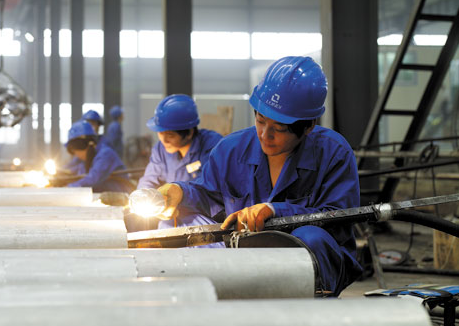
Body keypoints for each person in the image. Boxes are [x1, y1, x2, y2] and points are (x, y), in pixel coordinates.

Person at [156, 56, 363, 296]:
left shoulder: (333, 153)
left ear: (308, 126)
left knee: (310, 237)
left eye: (279, 128)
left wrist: (275, 210)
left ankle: (309, 305)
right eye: (260, 120)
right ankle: (207, 295)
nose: (265, 135)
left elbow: (339, 220)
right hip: (242, 256)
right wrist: (180, 192)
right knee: (176, 223)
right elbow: (207, 195)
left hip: (309, 267)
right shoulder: (230, 150)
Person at [137, 94, 223, 229]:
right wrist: (143, 196)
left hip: (206, 215)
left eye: (170, 135)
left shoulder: (213, 147)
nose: (163, 140)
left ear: (189, 133)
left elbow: (210, 191)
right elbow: (149, 178)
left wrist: (181, 196)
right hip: (172, 216)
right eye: (160, 133)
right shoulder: (160, 150)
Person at [63, 120, 133, 194]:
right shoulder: (89, 158)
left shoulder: (105, 154)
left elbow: (93, 179)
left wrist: (69, 187)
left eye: (75, 152)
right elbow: (79, 172)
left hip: (121, 195)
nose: (76, 155)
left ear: (82, 145)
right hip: (104, 194)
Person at [64, 110, 106, 175]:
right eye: (88, 123)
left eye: (93, 124)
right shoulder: (83, 152)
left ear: (98, 125)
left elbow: (94, 175)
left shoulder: (104, 148)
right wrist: (62, 171)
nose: (90, 126)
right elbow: (77, 163)